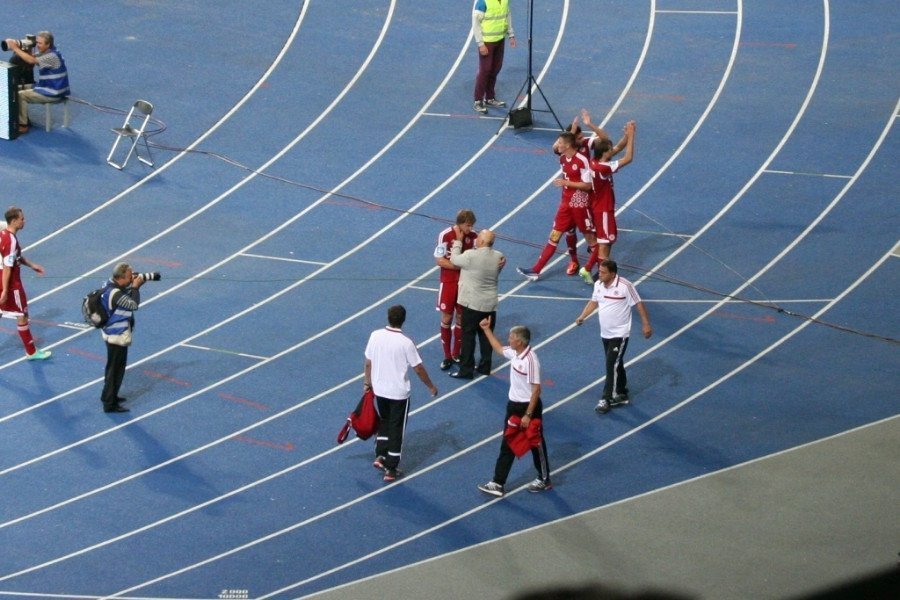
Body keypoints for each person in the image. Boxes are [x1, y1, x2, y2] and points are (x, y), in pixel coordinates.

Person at [476, 317, 551, 496]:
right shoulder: (516, 353)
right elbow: (499, 349)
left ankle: (544, 478)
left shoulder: (530, 360)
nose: (508, 339)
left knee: (536, 443)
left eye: (511, 337)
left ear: (520, 341)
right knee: (508, 442)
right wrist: (486, 330)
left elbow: (536, 390)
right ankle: (498, 482)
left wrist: (528, 414)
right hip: (513, 407)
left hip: (528, 408)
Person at [364, 305, 438, 482]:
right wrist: (430, 386)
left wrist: (367, 383)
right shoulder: (406, 343)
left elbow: (368, 362)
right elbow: (418, 368)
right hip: (398, 393)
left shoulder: (375, 335)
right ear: (403, 320)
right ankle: (391, 468)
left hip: (379, 389)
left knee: (385, 421)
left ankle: (380, 455)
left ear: (388, 317)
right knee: (397, 428)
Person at [575, 259, 652, 414]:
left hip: (620, 334)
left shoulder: (625, 286)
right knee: (616, 362)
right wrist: (582, 316)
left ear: (613, 274)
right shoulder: (598, 285)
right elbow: (594, 302)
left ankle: (607, 398)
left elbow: (638, 303)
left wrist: (646, 324)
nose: (599, 275)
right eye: (599, 271)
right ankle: (621, 392)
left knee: (611, 365)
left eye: (603, 272)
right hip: (605, 333)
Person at [517, 131, 594, 281]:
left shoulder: (582, 160)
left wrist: (567, 183)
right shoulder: (563, 158)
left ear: (568, 145)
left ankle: (597, 268)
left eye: (560, 143)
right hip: (565, 205)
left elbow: (588, 185)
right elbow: (556, 147)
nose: (557, 145)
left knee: (590, 238)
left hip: (580, 205)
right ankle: (536, 270)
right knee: (554, 236)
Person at [578, 121, 636, 285]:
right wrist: (632, 136)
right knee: (603, 243)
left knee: (607, 241)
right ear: (604, 153)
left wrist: (626, 135)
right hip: (603, 209)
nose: (613, 150)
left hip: (601, 207)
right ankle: (597, 273)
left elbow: (618, 147)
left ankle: (600, 272)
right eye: (610, 150)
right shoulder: (602, 168)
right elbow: (628, 158)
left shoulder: (596, 161)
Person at [448, 229, 504, 379]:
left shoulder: (470, 255)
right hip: (490, 305)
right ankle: (485, 368)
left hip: (472, 304)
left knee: (468, 338)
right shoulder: (499, 256)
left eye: (478, 237)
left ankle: (466, 370)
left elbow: (454, 259)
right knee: (486, 336)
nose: (476, 239)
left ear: (483, 241)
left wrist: (458, 242)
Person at [0, 207, 51, 360]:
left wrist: (32, 265)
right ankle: (31, 352)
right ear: (14, 221)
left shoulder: (4, 235)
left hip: (3, 277)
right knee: (22, 314)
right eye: (22, 219)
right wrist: (5, 290)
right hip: (11, 283)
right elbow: (8, 267)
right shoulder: (10, 240)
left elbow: (15, 257)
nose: (24, 221)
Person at [434, 209, 478, 371]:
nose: (470, 229)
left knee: (461, 318)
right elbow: (439, 260)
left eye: (472, 226)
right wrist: (460, 265)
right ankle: (447, 356)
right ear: (460, 223)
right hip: (448, 283)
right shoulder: (445, 235)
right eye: (468, 225)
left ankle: (456, 353)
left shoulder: (474, 237)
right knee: (446, 318)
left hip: (465, 284)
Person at [100, 263, 147, 413]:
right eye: (129, 276)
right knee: (116, 370)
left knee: (113, 368)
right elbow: (133, 305)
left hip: (112, 331)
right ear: (120, 277)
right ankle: (109, 403)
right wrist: (135, 287)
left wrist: (132, 285)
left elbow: (124, 295)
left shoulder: (110, 284)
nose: (131, 278)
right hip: (117, 334)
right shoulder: (115, 293)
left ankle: (109, 396)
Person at [3, 31, 70, 134]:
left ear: (48, 44)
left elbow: (31, 61)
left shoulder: (51, 57)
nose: (37, 45)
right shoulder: (49, 52)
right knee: (14, 89)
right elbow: (30, 58)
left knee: (20, 95)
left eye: (40, 43)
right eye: (37, 42)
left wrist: (15, 48)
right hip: (46, 87)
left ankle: (23, 125)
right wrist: (23, 47)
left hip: (54, 92)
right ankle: (22, 118)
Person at [472, 0, 516, 114]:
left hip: (500, 39)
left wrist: (511, 34)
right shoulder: (483, 2)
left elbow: (507, 15)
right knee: (485, 70)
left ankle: (490, 98)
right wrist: (480, 44)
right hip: (487, 41)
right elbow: (475, 23)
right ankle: (478, 100)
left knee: (496, 68)